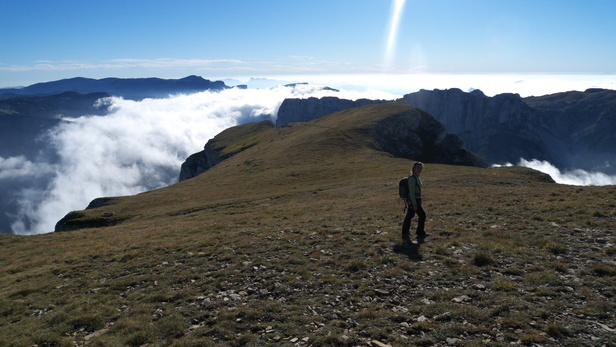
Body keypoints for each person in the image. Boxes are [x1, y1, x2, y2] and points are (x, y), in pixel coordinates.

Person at [402, 161, 426, 244]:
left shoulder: (417, 177)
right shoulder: (412, 179)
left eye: (421, 168)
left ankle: (405, 232)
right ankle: (420, 232)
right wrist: (414, 204)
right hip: (413, 201)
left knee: (410, 215)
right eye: (418, 168)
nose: (420, 169)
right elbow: (411, 193)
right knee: (422, 215)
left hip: (416, 199)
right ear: (414, 168)